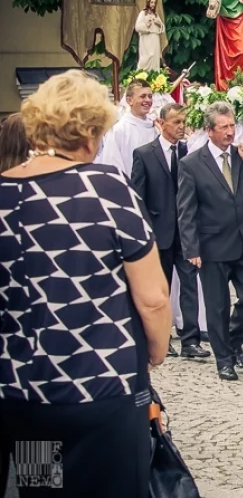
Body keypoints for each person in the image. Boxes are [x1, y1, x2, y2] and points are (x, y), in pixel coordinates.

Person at [0, 71, 171, 497]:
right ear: (92, 132)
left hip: (27, 395)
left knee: (42, 491)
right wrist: (155, 351)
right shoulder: (107, 188)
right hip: (104, 391)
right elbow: (152, 298)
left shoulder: (4, 193)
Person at [177, 101, 243, 381]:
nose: (231, 132)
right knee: (217, 307)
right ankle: (224, 360)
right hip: (213, 245)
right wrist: (191, 247)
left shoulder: (242, 156)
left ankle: (233, 341)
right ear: (209, 131)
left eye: (233, 125)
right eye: (224, 127)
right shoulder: (191, 164)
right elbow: (186, 209)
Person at [130, 103, 210, 360]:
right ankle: (161, 338)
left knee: (189, 284)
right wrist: (146, 231)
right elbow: (138, 197)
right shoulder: (144, 154)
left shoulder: (190, 152)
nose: (181, 127)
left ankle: (191, 340)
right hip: (159, 231)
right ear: (161, 123)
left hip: (186, 232)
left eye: (183, 122)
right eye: (176, 122)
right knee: (161, 288)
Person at [99, 79, 157, 177]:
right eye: (142, 96)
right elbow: (112, 164)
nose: (148, 100)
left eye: (150, 96)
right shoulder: (119, 130)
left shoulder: (156, 128)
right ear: (129, 100)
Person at [135, 0, 164, 71]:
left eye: (154, 2)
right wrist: (146, 26)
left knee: (155, 57)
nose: (153, 4)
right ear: (148, 2)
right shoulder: (142, 14)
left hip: (155, 39)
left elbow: (162, 28)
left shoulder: (156, 15)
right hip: (146, 39)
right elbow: (137, 27)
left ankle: (154, 76)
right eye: (151, 2)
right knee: (146, 58)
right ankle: (142, 75)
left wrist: (159, 24)